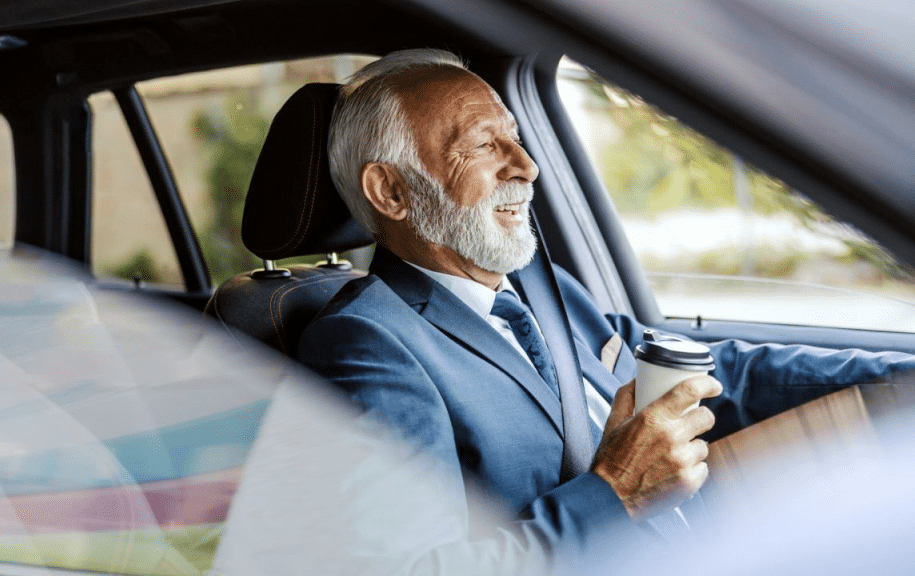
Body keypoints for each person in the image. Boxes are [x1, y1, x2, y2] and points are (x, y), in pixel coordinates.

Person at [291, 48, 915, 570]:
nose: (527, 166)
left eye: (514, 134)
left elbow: (698, 373)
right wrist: (615, 492)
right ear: (392, 191)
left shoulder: (537, 284)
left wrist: (894, 372)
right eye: (484, 146)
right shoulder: (364, 343)